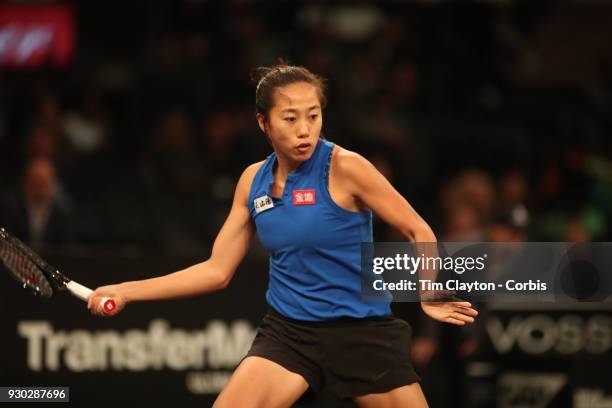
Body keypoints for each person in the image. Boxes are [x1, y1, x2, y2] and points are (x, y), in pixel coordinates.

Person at [88, 63, 478, 408]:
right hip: (290, 334)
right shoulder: (251, 182)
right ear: (264, 123)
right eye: (290, 118)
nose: (305, 129)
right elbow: (216, 271)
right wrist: (126, 290)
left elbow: (418, 228)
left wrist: (428, 291)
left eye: (313, 115)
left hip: (361, 333)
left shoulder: (347, 167)